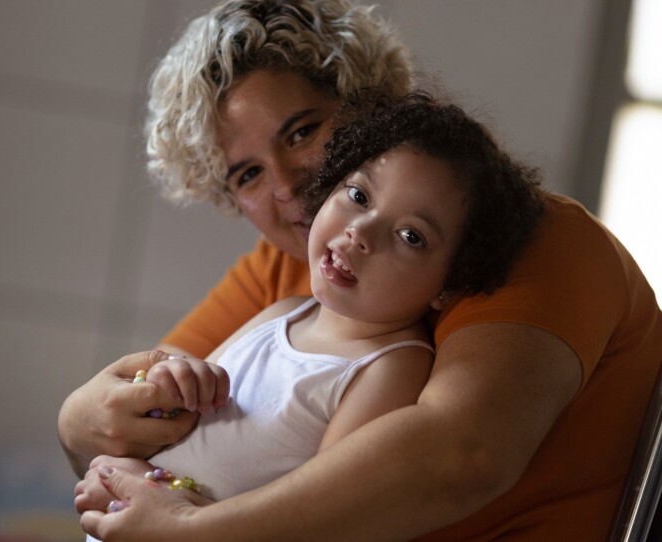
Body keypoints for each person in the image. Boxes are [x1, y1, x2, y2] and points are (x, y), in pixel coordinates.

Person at [58, 0, 662, 540]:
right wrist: (79, 420)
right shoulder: (287, 276)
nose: (288, 186)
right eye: (247, 175)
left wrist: (192, 531)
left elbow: (460, 459)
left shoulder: (544, 244)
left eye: (302, 131)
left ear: (369, 104)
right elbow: (138, 420)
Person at [75, 90, 547, 514]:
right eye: (359, 195)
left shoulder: (388, 368)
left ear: (451, 282)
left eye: (410, 235)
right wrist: (176, 380)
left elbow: (320, 515)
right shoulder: (284, 313)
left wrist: (167, 496)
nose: (360, 232)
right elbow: (175, 426)